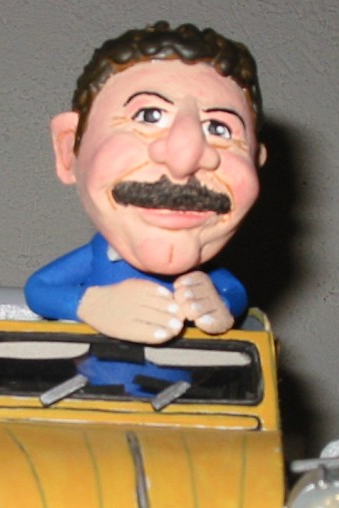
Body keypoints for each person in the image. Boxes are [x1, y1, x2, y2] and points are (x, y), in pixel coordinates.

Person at [25, 21, 267, 344]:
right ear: (70, 151)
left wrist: (218, 303)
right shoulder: (96, 257)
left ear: (256, 165)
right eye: (149, 116)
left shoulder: (207, 276)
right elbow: (40, 290)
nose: (184, 161)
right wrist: (91, 304)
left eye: (218, 129)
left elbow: (234, 293)